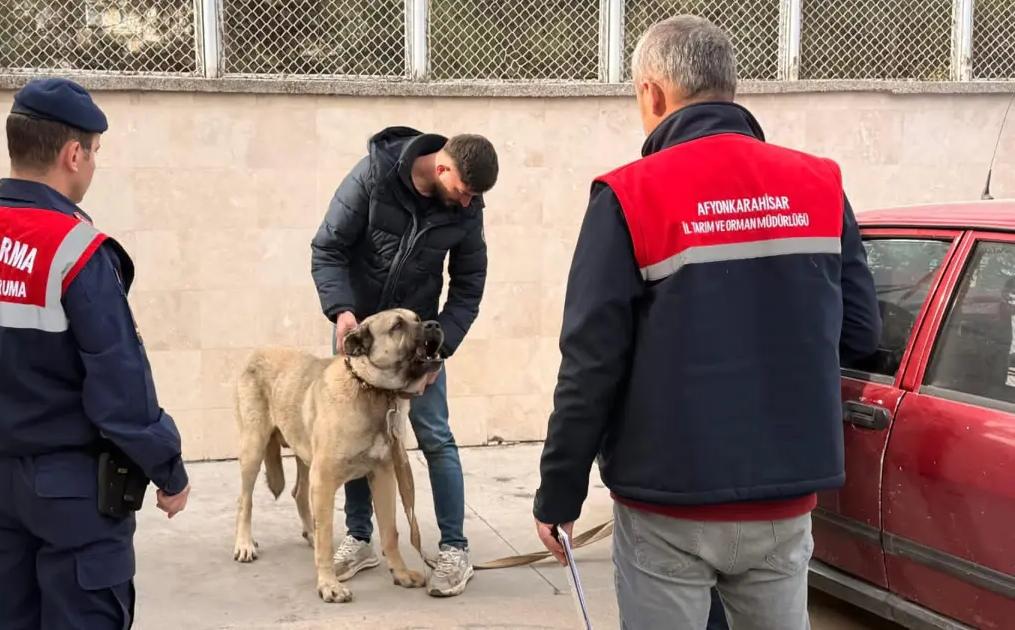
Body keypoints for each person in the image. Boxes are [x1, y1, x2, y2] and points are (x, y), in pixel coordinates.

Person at [531, 15, 881, 630]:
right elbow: (861, 337)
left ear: (652, 94)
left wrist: (559, 492)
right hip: (787, 493)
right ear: (731, 86)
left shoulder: (628, 195)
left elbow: (591, 363)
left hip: (669, 503)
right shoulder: (820, 184)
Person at [0, 77, 191, 629]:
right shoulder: (77, 249)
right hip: (74, 492)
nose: (93, 165)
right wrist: (167, 469)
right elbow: (120, 386)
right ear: (74, 153)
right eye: (94, 152)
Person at [310, 126, 499, 597]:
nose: (465, 203)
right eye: (461, 190)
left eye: (473, 197)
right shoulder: (374, 175)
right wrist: (343, 311)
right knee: (349, 438)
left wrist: (442, 347)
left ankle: (454, 548)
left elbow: (469, 284)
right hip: (363, 340)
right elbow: (328, 246)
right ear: (441, 167)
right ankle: (359, 538)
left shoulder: (467, 208)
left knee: (436, 436)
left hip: (419, 342)